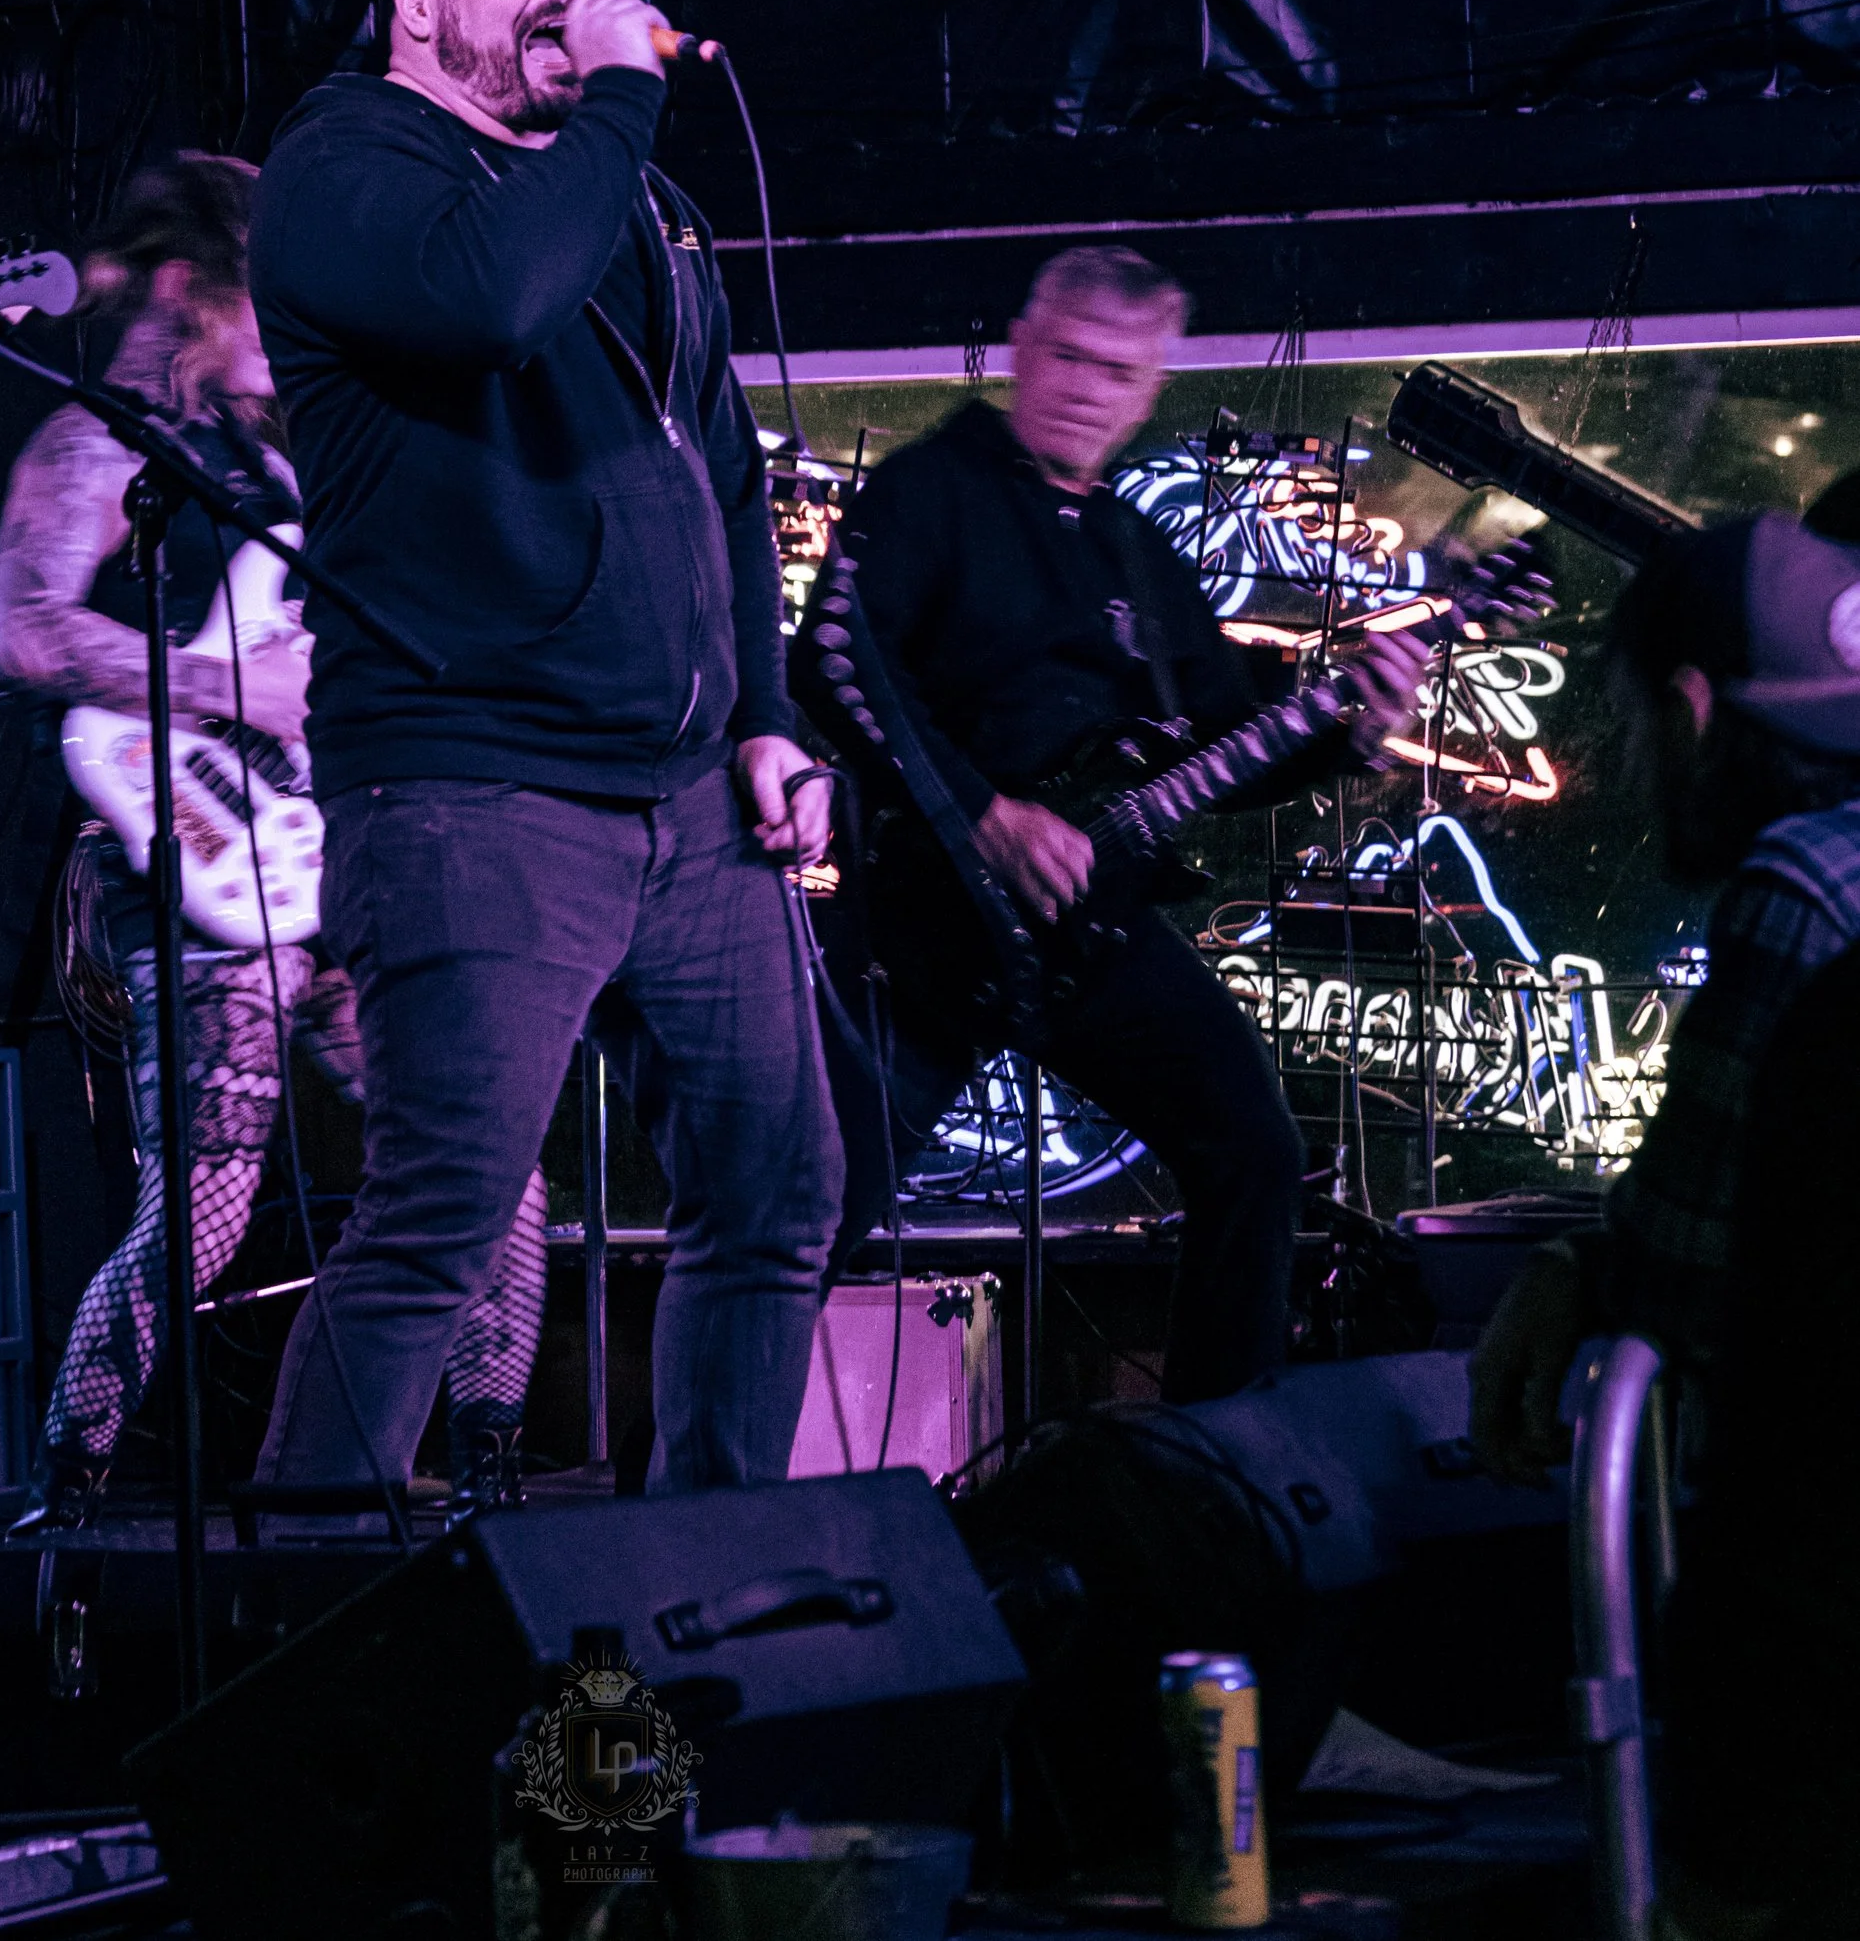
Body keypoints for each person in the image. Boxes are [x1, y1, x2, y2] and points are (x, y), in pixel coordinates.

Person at [245, 0, 839, 1499]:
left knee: (778, 1184)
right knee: (439, 1218)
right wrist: (623, 104)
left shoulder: (622, 198)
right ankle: (303, 1626)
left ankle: (713, 1578)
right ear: (417, 1)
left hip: (689, 800)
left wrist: (768, 719)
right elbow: (491, 299)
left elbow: (718, 464)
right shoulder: (345, 161)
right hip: (474, 786)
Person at [0, 155, 547, 1527]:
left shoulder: (282, 438)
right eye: (257, 296)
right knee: (203, 1216)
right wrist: (241, 688)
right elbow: (18, 628)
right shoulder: (97, 441)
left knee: (491, 1173)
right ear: (190, 287)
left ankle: (489, 1489)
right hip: (192, 856)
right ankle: (65, 1497)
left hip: (342, 848)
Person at [792, 246, 1426, 1404]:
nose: (1088, 388)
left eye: (1120, 372)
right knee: (804, 1217)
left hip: (1090, 925)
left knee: (1254, 1150)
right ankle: (675, 1503)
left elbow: (1225, 743)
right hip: (924, 929)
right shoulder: (933, 488)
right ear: (1025, 351)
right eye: (1071, 356)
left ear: (1149, 391)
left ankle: (1211, 1465)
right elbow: (832, 660)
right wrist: (982, 813)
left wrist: (1353, 726)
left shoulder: (1133, 544)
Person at [1468, 513, 1860, 1940]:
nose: (1633, 765)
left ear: (1692, 711)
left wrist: (1580, 1274)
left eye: (1632, 722)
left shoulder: (1802, 890)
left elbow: (1696, 1267)